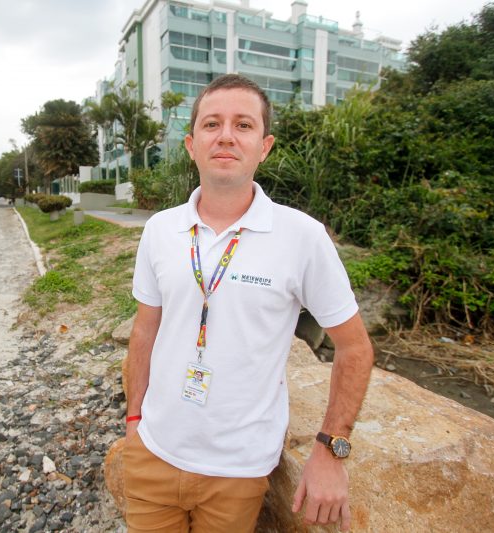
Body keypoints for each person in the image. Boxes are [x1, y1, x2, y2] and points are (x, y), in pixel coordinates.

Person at [123, 74, 374, 533]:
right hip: (152, 453)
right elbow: (145, 330)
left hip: (237, 470)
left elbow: (355, 348)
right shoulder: (159, 229)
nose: (226, 136)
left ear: (265, 146)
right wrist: (134, 419)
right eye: (212, 124)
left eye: (243, 125)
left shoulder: (302, 237)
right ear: (190, 144)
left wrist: (331, 449)